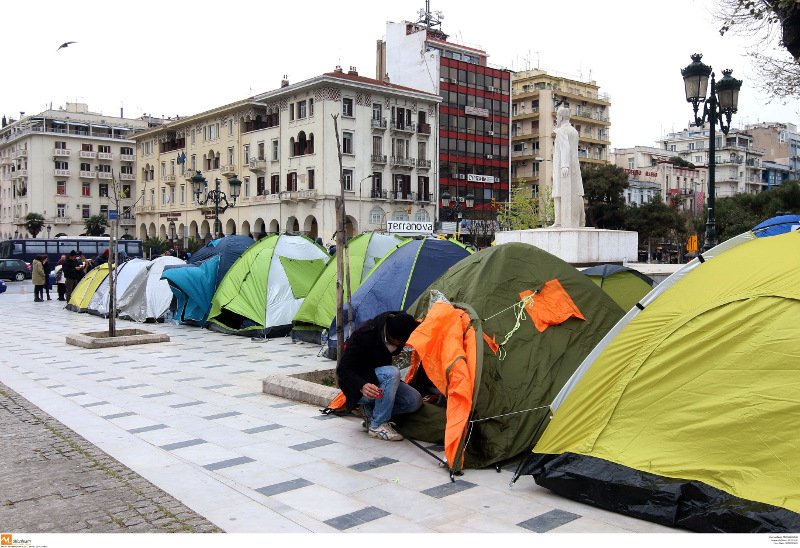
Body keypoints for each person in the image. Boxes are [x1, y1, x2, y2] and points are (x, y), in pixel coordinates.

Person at [336, 311, 422, 441]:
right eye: (399, 342)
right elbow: (343, 370)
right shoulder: (364, 335)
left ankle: (372, 415)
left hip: (379, 381)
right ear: (390, 335)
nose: (401, 345)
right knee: (392, 373)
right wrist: (361, 385)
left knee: (413, 400)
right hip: (359, 387)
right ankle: (378, 425)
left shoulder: (399, 323)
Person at [551, 105, 586, 228]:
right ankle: (581, 221)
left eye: (557, 116)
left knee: (558, 192)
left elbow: (565, 147)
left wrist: (564, 165)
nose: (556, 119)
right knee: (578, 192)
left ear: (561, 117)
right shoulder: (574, 131)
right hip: (574, 165)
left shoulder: (561, 131)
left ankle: (558, 221)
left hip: (562, 166)